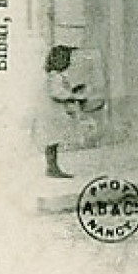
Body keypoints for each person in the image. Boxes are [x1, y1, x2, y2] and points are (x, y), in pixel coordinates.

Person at [36, 44, 95, 179]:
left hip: (53, 114)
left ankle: (52, 167)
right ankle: (52, 168)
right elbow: (57, 93)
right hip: (52, 115)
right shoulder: (55, 76)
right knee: (52, 141)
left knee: (53, 142)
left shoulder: (55, 75)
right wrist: (74, 96)